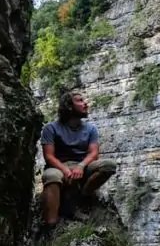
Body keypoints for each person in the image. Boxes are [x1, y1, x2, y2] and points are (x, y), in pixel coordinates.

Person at [39, 90, 117, 231]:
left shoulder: (90, 128)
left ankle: (81, 197)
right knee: (51, 176)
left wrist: (81, 166)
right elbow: (49, 156)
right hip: (58, 166)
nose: (85, 103)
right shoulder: (50, 128)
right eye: (80, 100)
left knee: (109, 166)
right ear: (69, 106)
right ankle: (50, 225)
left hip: (82, 165)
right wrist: (65, 170)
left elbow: (94, 153)